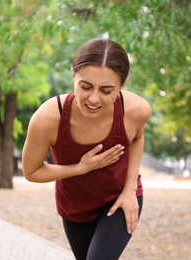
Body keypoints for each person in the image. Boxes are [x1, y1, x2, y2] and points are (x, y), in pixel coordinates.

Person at [22, 38, 151, 260]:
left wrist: (130, 190)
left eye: (106, 90)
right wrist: (80, 168)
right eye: (86, 86)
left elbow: (138, 138)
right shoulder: (47, 118)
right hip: (75, 206)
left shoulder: (137, 110)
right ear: (73, 76)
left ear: (122, 85)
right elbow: (31, 171)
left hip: (118, 199)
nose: (93, 98)